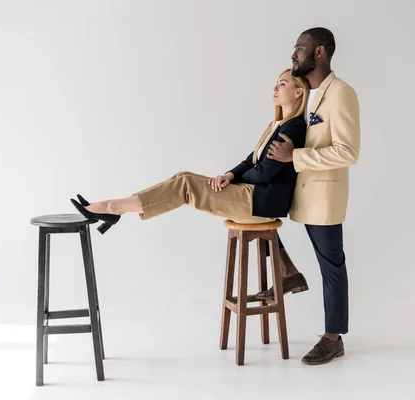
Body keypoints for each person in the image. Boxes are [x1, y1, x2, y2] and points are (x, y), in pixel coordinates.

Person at [70, 69, 309, 296]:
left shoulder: (294, 127)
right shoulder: (276, 125)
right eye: (276, 83)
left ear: (299, 92)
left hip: (259, 201)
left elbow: (265, 172)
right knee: (183, 177)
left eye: (283, 84)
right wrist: (230, 176)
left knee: (185, 186)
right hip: (253, 195)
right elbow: (251, 161)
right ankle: (117, 208)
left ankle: (114, 207)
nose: (275, 88)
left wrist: (237, 183)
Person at [260, 27, 361, 365]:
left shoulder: (341, 93)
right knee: (257, 219)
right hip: (299, 194)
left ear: (319, 52)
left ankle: (333, 338)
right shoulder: (307, 93)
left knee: (332, 267)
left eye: (300, 48)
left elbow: (348, 151)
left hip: (324, 197)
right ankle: (288, 273)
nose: (294, 54)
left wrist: (296, 158)